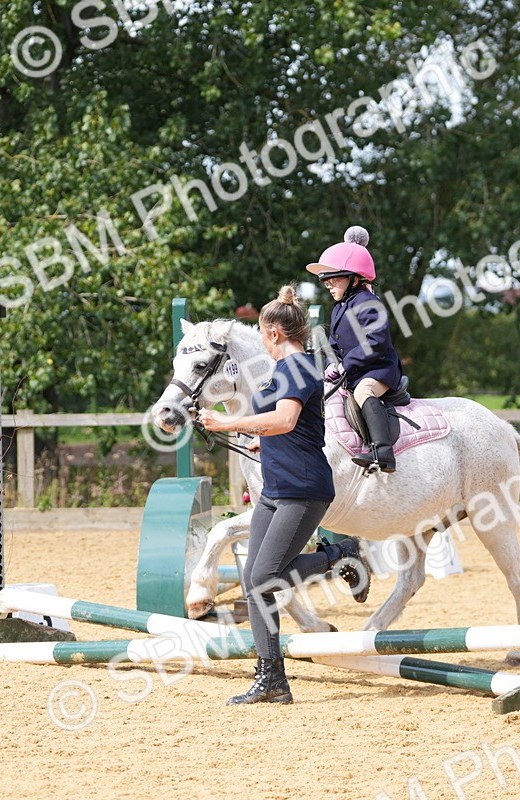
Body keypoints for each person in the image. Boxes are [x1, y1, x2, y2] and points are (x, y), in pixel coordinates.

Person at [198, 286, 370, 705]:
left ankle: (340, 554)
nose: (260, 340)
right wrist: (261, 441)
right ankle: (271, 677)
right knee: (252, 580)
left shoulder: (298, 368)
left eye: (261, 333)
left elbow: (286, 418)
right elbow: (286, 427)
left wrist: (227, 424)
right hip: (275, 488)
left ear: (273, 333)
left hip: (303, 489)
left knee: (264, 578)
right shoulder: (279, 373)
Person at [306, 225, 403, 473]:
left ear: (354, 277)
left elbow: (376, 343)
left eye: (333, 278)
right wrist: (331, 364)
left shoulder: (369, 303)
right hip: (354, 371)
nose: (328, 284)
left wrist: (345, 365)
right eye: (326, 280)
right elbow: (334, 345)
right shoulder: (340, 307)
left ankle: (382, 450)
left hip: (379, 370)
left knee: (363, 391)